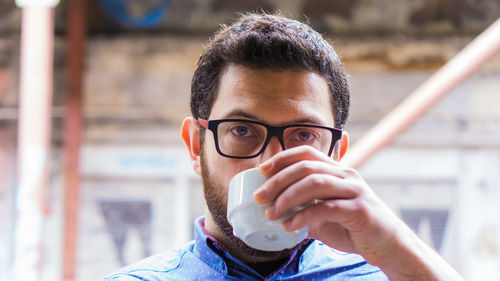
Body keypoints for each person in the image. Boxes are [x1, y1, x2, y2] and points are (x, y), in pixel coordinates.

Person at [103, 13, 464, 280]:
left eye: (304, 135)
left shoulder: (390, 272)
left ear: (335, 155)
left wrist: (392, 245)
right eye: (242, 130)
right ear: (196, 146)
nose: (269, 163)